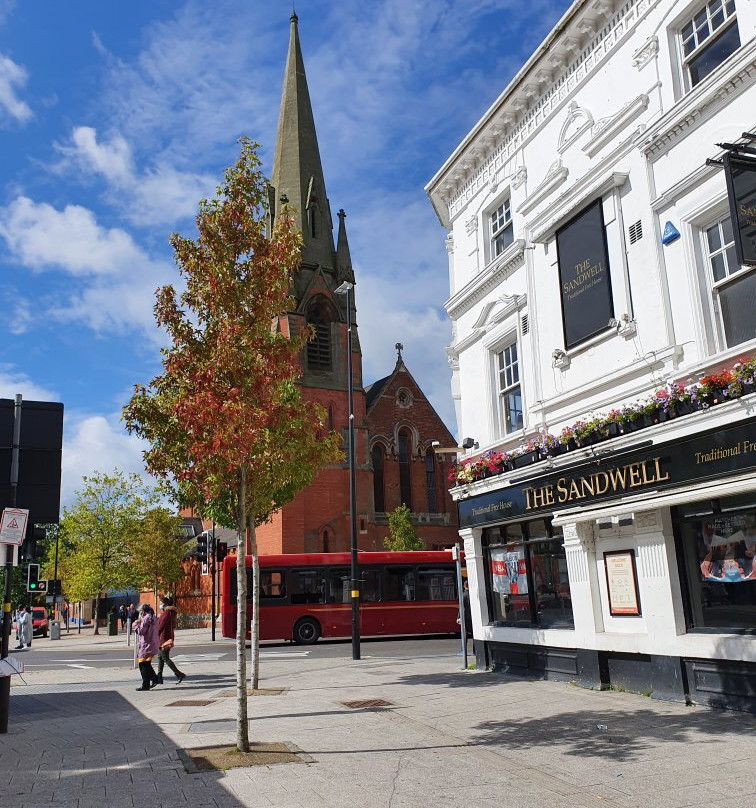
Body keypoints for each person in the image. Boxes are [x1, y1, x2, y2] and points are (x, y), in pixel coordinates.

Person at [156, 596, 186, 685]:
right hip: (164, 637)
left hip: (164, 637)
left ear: (165, 604)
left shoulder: (167, 613)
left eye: (161, 603)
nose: (160, 605)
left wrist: (155, 635)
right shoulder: (169, 612)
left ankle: (179, 674)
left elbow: (161, 626)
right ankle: (159, 677)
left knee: (164, 657)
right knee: (160, 657)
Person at [133, 604, 159, 691]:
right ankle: (154, 678)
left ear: (143, 611)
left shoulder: (146, 618)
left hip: (146, 644)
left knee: (142, 664)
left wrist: (135, 624)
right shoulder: (153, 617)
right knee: (147, 664)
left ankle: (146, 684)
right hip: (152, 643)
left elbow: (141, 631)